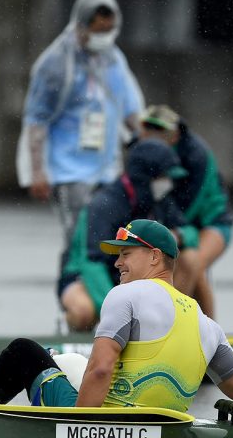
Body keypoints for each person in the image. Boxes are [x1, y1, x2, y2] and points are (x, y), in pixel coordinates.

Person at [0, 219, 233, 419]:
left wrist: (79, 432)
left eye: (126, 254)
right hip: (164, 430)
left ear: (154, 257)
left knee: (23, 352)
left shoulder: (125, 295)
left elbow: (101, 369)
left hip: (105, 428)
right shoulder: (209, 326)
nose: (117, 263)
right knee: (66, 361)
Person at [16, 0, 144, 244]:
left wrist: (147, 147)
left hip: (107, 168)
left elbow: (130, 110)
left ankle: (99, 286)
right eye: (98, 30)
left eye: (109, 30)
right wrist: (38, 172)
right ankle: (72, 282)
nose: (103, 37)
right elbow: (36, 120)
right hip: (69, 170)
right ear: (81, 25)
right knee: (79, 238)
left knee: (110, 239)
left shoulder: (114, 59)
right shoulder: (56, 64)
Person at [58, 138, 195, 332]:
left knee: (189, 258)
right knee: (83, 311)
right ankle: (69, 329)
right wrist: (119, 310)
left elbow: (191, 233)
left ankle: (175, 326)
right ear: (145, 177)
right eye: (163, 176)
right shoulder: (103, 205)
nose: (168, 183)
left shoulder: (159, 200)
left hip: (132, 275)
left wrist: (177, 236)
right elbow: (92, 264)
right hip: (86, 278)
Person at [139, 104, 233, 319]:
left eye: (158, 130)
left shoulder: (196, 155)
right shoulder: (146, 149)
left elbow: (190, 207)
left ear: (173, 135)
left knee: (193, 262)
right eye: (147, 128)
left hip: (211, 223)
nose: (150, 134)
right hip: (178, 224)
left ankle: (204, 330)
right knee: (187, 265)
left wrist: (172, 234)